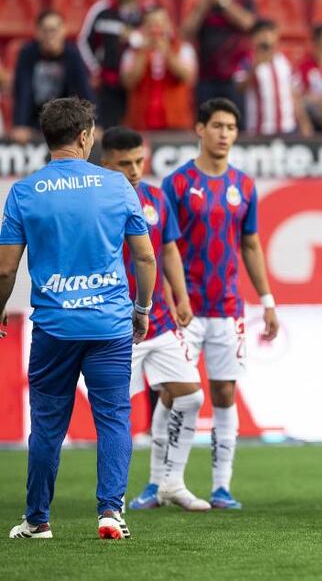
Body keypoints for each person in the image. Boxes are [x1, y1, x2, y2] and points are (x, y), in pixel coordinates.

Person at [3, 98, 154, 540]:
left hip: (54, 327)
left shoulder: (24, 192)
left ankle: (37, 520)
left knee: (48, 424)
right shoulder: (118, 186)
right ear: (86, 136)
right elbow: (144, 256)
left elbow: (5, 269)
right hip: (109, 325)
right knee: (113, 417)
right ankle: (110, 513)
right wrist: (141, 309)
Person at [161, 98, 280, 510]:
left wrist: (267, 300)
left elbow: (251, 244)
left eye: (231, 126)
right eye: (217, 125)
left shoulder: (244, 186)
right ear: (199, 129)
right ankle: (160, 482)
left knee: (225, 392)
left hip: (228, 308)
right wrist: (170, 297)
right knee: (172, 394)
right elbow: (163, 247)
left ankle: (221, 485)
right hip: (184, 310)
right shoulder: (175, 185)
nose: (225, 133)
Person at [96, 128, 207, 513]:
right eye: (124, 163)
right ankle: (113, 499)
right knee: (115, 413)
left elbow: (169, 249)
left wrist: (182, 296)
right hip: (113, 326)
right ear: (105, 163)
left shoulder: (156, 197)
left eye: (138, 161)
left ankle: (170, 482)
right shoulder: (93, 202)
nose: (134, 170)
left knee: (190, 395)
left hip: (158, 320)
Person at [78, 0, 151, 128]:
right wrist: (95, 70)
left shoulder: (149, 11)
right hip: (109, 82)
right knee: (108, 128)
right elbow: (84, 42)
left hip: (140, 83)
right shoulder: (102, 10)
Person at [181, 0, 256, 115]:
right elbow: (186, 33)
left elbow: (248, 24)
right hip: (207, 76)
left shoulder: (244, 1)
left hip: (236, 76)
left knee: (235, 121)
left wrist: (223, 2)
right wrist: (203, 6)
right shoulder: (202, 6)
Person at [11, 11, 94, 143]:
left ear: (63, 31)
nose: (50, 36)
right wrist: (20, 125)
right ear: (37, 33)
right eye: (45, 31)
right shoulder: (27, 54)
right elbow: (22, 92)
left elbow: (84, 91)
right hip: (35, 122)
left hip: (66, 123)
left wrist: (93, 124)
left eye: (54, 30)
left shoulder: (72, 55)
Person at [119, 6, 197, 131]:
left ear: (168, 25)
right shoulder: (132, 52)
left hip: (176, 124)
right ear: (143, 27)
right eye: (151, 24)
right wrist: (143, 52)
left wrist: (167, 52)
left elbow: (188, 77)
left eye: (160, 23)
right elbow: (129, 82)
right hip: (140, 125)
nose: (156, 29)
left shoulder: (183, 48)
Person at [235, 19, 312, 137]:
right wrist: (255, 67)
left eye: (270, 33)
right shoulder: (247, 61)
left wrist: (304, 122)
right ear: (254, 38)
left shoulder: (285, 61)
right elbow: (239, 88)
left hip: (287, 129)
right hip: (258, 130)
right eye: (262, 34)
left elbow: (295, 94)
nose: (266, 38)